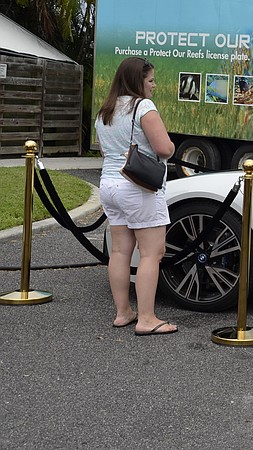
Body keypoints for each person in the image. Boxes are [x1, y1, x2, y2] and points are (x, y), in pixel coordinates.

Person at [94, 57, 178, 336]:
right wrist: (172, 146)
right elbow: (164, 148)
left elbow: (107, 152)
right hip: (138, 187)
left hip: (109, 184)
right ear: (136, 81)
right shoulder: (143, 107)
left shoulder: (105, 111)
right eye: (151, 80)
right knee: (152, 253)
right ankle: (147, 318)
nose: (154, 85)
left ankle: (122, 313)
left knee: (119, 251)